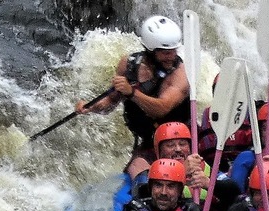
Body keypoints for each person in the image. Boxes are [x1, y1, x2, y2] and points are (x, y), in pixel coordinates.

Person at [81, 15, 191, 167]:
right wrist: (90, 107)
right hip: (149, 142)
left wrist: (132, 92)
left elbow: (162, 109)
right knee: (136, 169)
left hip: (178, 142)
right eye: (166, 52)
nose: (172, 56)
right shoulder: (129, 65)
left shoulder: (181, 73)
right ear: (151, 50)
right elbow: (111, 101)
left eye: (174, 50)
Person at [134, 120, 236, 211]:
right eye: (170, 145)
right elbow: (140, 195)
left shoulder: (203, 167)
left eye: (182, 144)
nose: (178, 149)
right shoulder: (149, 174)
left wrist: (210, 184)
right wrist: (180, 172)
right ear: (159, 151)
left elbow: (234, 191)